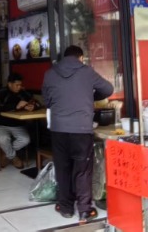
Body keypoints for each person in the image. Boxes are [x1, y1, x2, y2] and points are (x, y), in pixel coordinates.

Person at [42, 45, 113, 224]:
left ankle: (65, 208)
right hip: (81, 130)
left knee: (62, 168)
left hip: (58, 129)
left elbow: (47, 101)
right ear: (81, 57)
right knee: (82, 171)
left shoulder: (50, 73)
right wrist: (89, 95)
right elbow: (108, 89)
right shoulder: (87, 72)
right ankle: (84, 210)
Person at [0, 73, 40, 169]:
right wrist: (16, 106)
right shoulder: (1, 92)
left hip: (17, 124)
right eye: (17, 85)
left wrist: (33, 106)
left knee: (25, 140)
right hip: (1, 124)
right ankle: (13, 158)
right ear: (9, 84)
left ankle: (6, 154)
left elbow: (37, 102)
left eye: (20, 85)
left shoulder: (23, 93)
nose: (19, 87)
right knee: (3, 139)